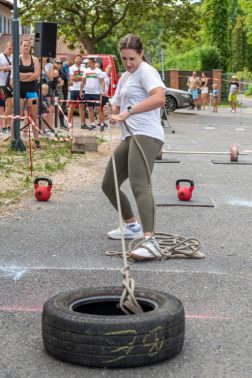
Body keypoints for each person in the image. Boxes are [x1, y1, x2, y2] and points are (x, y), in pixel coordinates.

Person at [102, 34, 166, 261]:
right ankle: (131, 227)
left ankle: (151, 242)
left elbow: (159, 98)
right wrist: (111, 111)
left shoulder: (146, 71)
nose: (128, 63)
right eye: (124, 59)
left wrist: (128, 111)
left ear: (140, 54)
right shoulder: (125, 76)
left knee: (140, 185)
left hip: (146, 134)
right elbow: (117, 104)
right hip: (128, 135)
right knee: (109, 185)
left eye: (132, 58)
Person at [10, 39, 40, 148]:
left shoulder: (35, 59)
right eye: (24, 45)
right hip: (19, 91)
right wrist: (29, 75)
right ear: (21, 47)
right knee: (17, 115)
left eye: (28, 46)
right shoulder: (17, 59)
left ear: (30, 48)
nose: (26, 47)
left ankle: (36, 140)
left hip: (32, 91)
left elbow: (36, 74)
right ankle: (13, 140)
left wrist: (22, 77)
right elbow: (15, 77)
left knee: (33, 116)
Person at [79, 58, 106, 131]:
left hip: (96, 93)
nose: (87, 64)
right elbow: (83, 81)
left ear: (93, 63)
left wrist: (103, 90)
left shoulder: (99, 71)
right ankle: (93, 124)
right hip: (88, 92)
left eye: (89, 63)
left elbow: (102, 82)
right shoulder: (86, 71)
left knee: (98, 108)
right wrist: (81, 91)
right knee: (90, 109)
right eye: (87, 63)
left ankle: (101, 123)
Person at [68, 54, 88, 129]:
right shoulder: (71, 68)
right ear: (74, 60)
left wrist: (77, 77)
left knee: (82, 107)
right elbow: (72, 78)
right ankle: (69, 123)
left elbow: (85, 79)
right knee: (71, 106)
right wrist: (81, 78)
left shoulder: (84, 69)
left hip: (82, 89)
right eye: (77, 59)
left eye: (80, 59)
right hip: (74, 89)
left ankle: (83, 124)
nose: (79, 60)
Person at [0, 42, 13, 133]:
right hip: (2, 83)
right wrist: (2, 69)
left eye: (12, 49)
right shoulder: (1, 56)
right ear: (5, 47)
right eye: (9, 49)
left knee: (10, 105)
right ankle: (5, 125)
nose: (10, 51)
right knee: (9, 103)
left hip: (11, 83)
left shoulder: (13, 57)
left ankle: (7, 126)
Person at [53, 58, 68, 129]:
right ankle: (52, 126)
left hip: (61, 94)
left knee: (60, 110)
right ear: (54, 63)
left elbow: (65, 86)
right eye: (57, 62)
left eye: (61, 63)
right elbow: (51, 83)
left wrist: (66, 96)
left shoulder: (63, 74)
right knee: (52, 111)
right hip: (52, 93)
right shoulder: (51, 72)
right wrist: (60, 83)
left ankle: (60, 125)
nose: (59, 64)